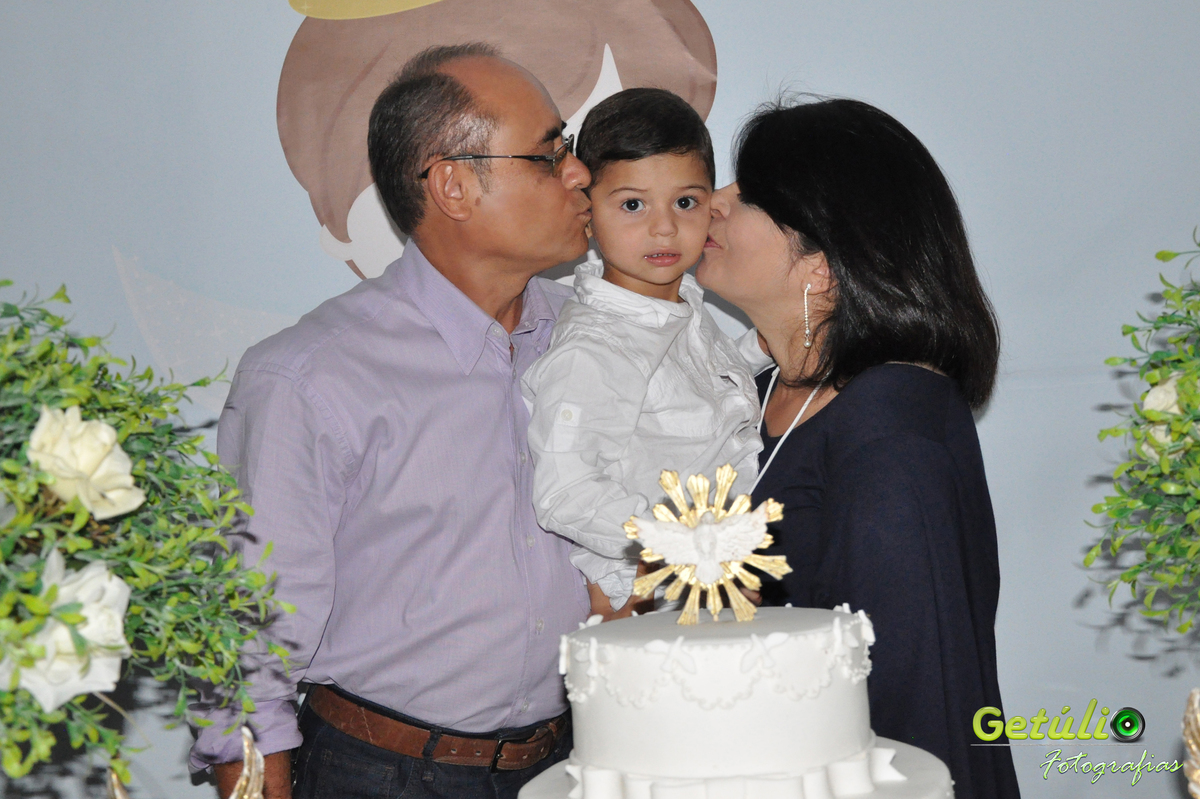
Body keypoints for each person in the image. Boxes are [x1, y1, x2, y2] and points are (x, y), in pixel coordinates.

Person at [190, 44, 595, 799]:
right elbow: (244, 652)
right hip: (380, 774)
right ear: (452, 186)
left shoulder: (598, 342)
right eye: (548, 155)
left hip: (577, 761)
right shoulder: (311, 376)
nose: (579, 174)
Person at [696, 98, 1021, 799]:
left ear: (819, 262)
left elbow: (915, 687)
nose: (712, 200)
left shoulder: (891, 423)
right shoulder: (756, 391)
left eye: (747, 193)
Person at [521, 88, 768, 615]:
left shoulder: (684, 304)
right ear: (588, 213)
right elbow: (566, 493)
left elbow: (695, 389)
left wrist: (764, 345)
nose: (664, 227)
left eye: (686, 202)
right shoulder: (593, 348)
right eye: (633, 204)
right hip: (652, 596)